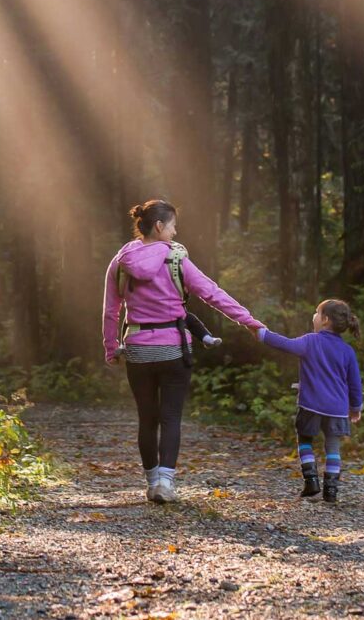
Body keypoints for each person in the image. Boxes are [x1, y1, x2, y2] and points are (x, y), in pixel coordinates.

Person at [103, 200, 264, 503]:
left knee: (147, 418)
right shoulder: (176, 259)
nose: (176, 232)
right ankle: (166, 483)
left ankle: (151, 484)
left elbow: (111, 310)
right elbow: (212, 293)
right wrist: (249, 321)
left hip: (138, 349)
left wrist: (111, 347)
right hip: (174, 349)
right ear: (160, 226)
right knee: (171, 418)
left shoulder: (121, 260)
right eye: (173, 225)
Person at [254, 299, 363, 503]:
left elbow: (285, 344)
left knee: (305, 440)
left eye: (316, 312)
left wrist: (262, 333)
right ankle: (331, 490)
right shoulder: (348, 351)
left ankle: (311, 480)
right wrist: (355, 408)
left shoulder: (311, 341)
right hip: (337, 409)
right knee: (333, 446)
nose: (313, 316)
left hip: (311, 404)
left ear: (325, 320)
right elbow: (355, 383)